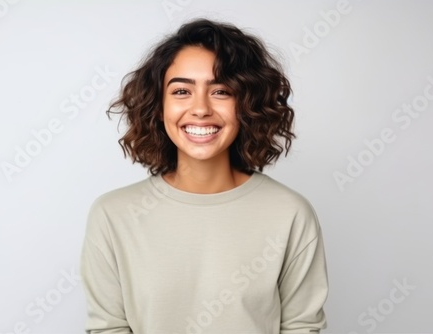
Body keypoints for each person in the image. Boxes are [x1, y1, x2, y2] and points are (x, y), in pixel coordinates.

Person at [80, 18, 328, 334]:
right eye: (182, 90)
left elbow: (301, 327)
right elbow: (108, 327)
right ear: (159, 106)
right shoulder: (112, 216)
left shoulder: (290, 213)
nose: (200, 109)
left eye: (221, 91)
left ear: (246, 105)